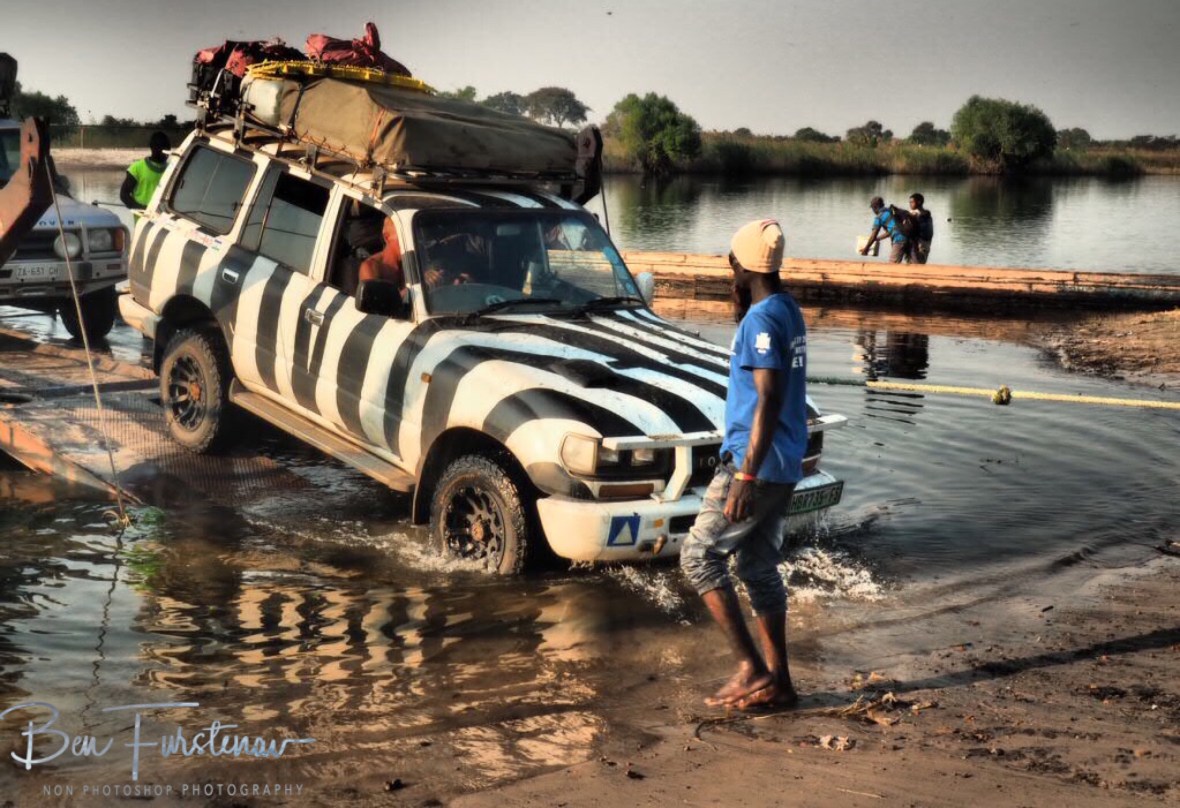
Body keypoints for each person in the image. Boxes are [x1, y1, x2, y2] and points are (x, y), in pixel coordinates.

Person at [680, 218, 809, 711]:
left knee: (698, 556)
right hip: (786, 460)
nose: (727, 267)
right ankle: (780, 682)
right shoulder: (786, 309)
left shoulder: (761, 321)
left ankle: (750, 667)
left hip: (758, 463)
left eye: (730, 260)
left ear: (742, 265)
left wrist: (744, 476)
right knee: (756, 567)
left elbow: (768, 399)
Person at [119, 131, 170, 211]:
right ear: (152, 148)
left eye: (167, 150)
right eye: (161, 150)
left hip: (162, 218)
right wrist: (143, 209)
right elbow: (124, 195)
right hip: (142, 217)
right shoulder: (136, 168)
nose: (165, 154)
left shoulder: (171, 169)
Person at [358, 216, 405, 288]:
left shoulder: (414, 262)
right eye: (403, 238)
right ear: (387, 237)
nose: (411, 244)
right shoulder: (371, 267)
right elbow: (375, 298)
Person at [859, 196, 909, 263]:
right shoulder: (891, 211)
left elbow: (873, 236)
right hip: (909, 237)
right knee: (913, 265)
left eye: (872, 208)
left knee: (892, 265)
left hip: (899, 239)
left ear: (875, 207)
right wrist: (878, 238)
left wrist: (866, 249)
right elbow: (890, 231)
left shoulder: (879, 217)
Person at [908, 193, 934, 264]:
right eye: (910, 202)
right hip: (919, 244)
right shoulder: (925, 214)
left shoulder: (923, 215)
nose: (910, 204)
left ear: (919, 202)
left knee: (917, 266)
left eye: (912, 202)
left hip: (921, 245)